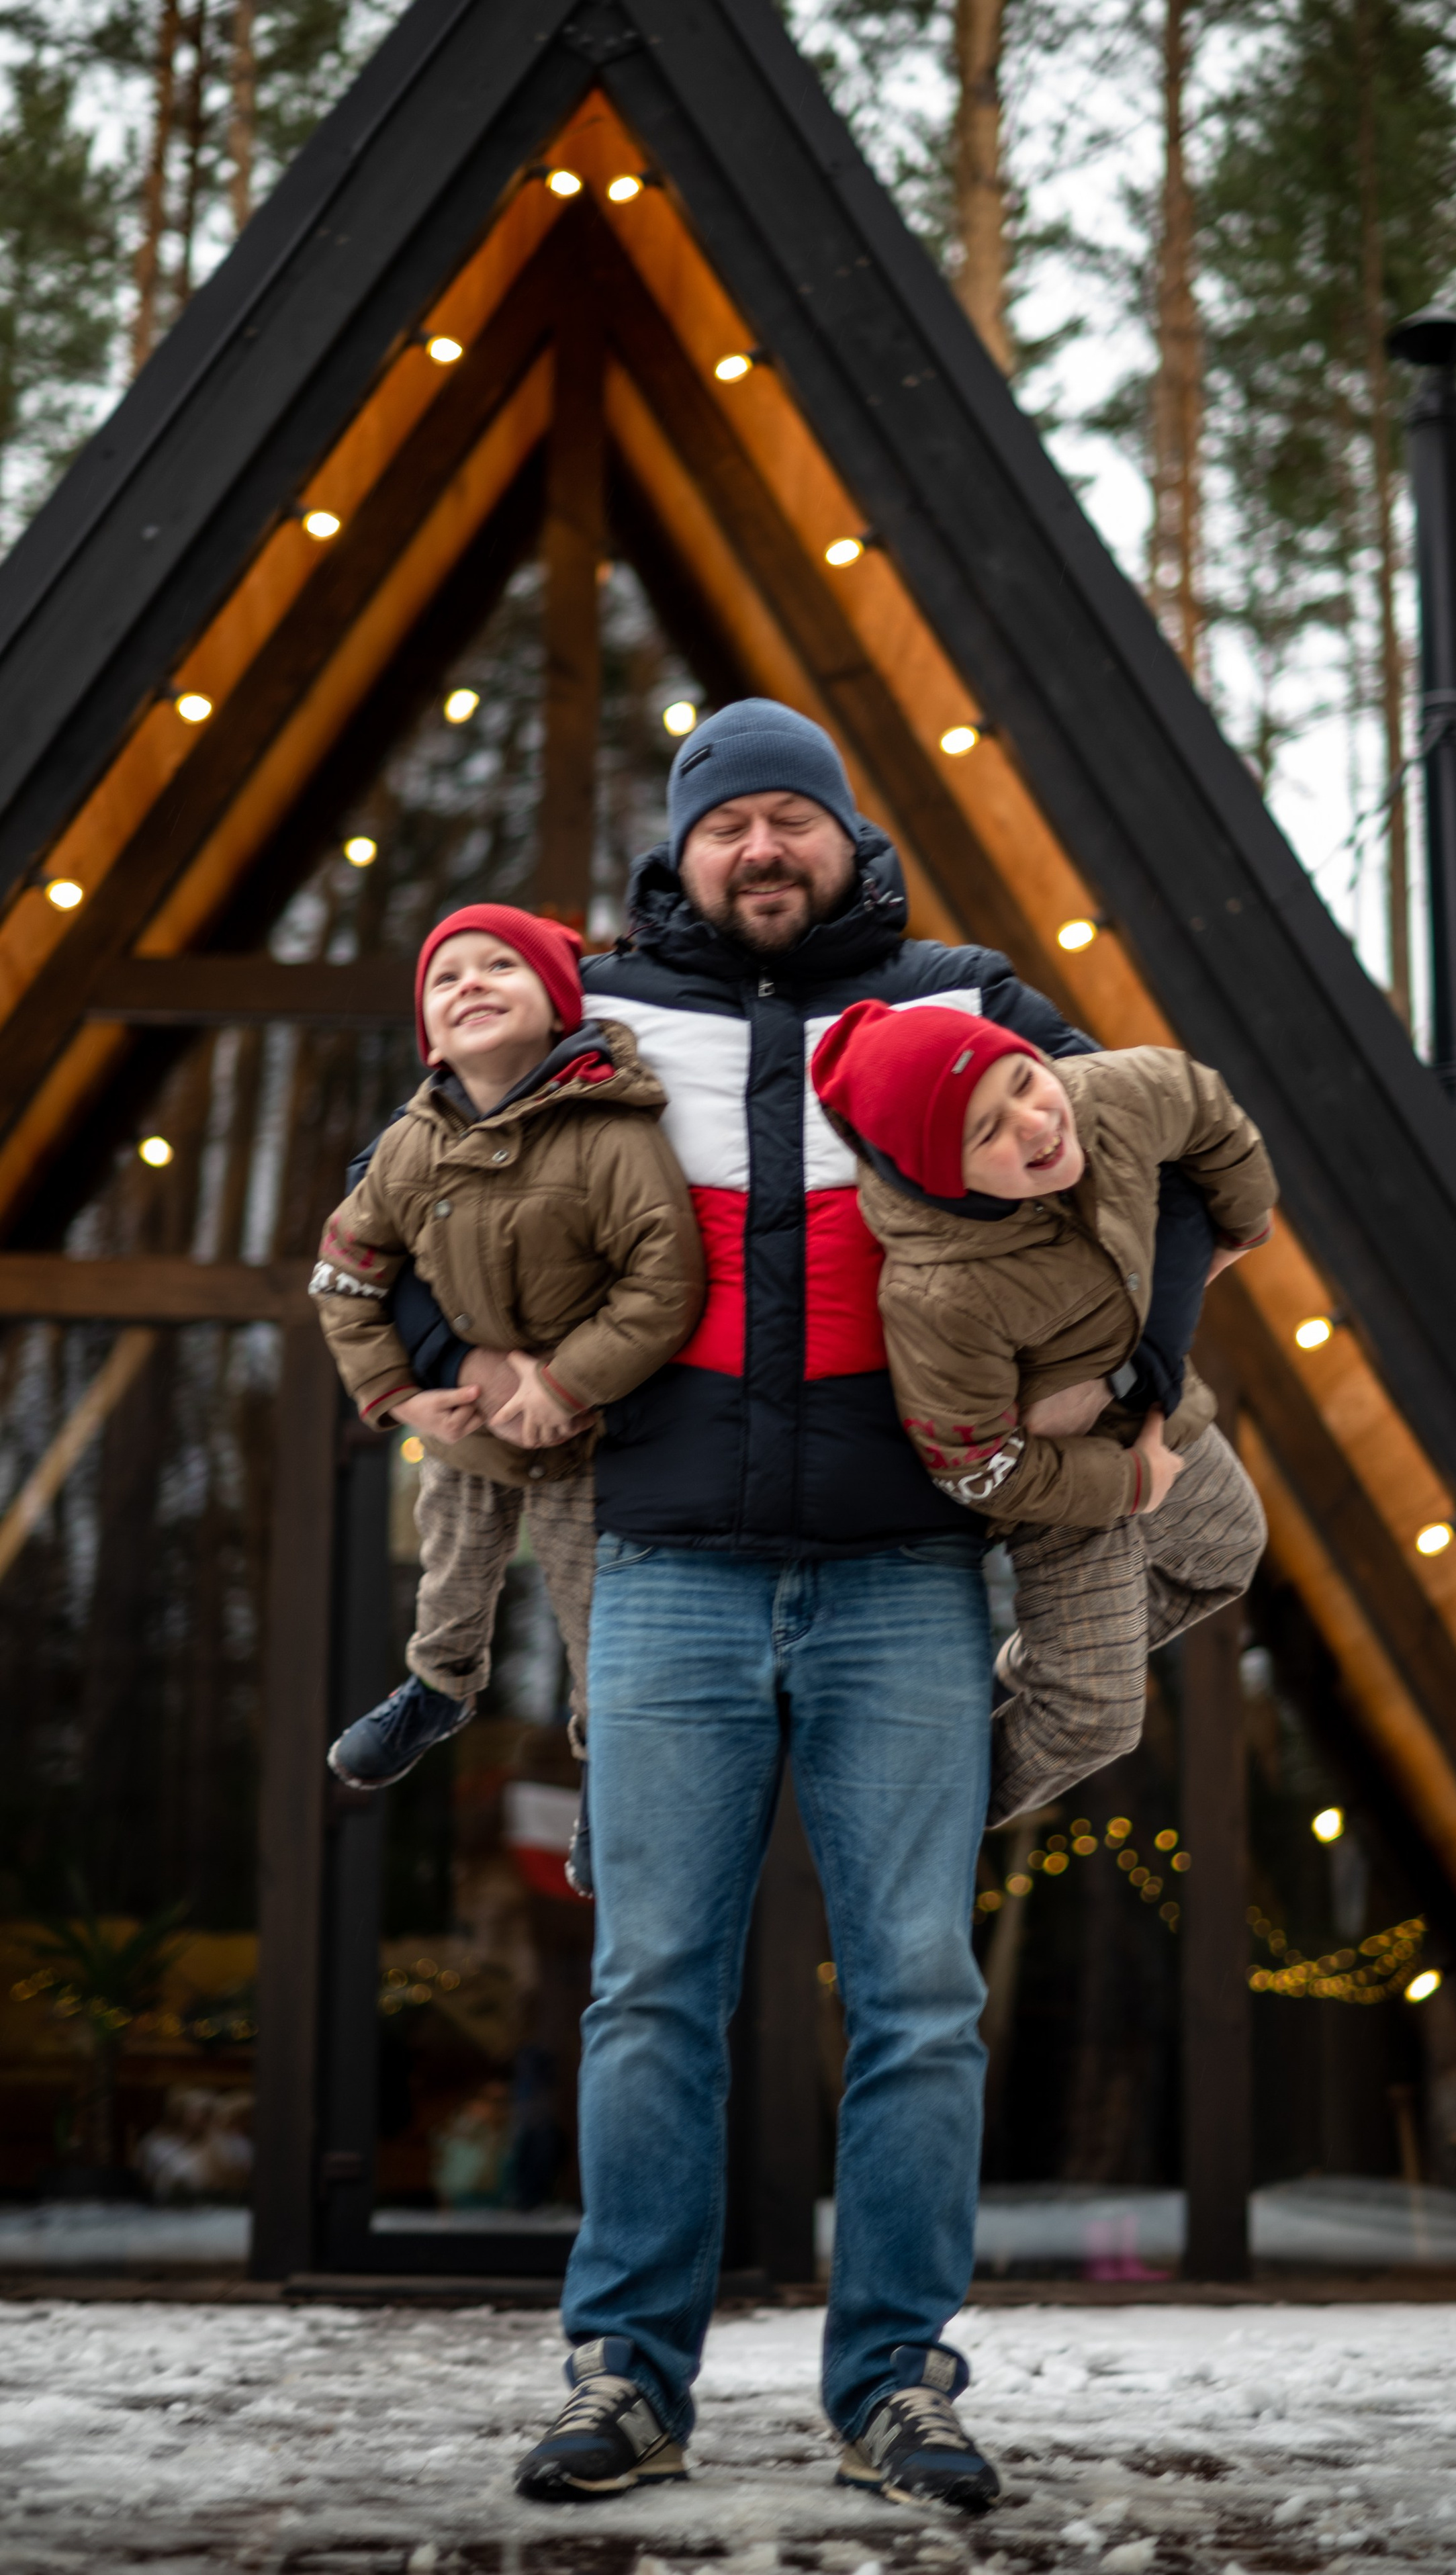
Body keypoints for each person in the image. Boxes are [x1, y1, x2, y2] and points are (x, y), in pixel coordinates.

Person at [375, 702, 1172, 2513]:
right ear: (686, 848)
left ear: (841, 835)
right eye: (727, 823)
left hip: (907, 1568)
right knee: (653, 1985)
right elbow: (407, 1185)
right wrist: (449, 1353)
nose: (760, 850)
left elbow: (1162, 1155)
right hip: (664, 1567)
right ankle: (630, 2377)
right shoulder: (581, 1001)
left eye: (788, 820)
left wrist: (1150, 1368)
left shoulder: (968, 999)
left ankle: (897, 2380)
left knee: (916, 1991)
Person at [811, 997, 1275, 1823]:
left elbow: (1207, 1106)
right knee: (1094, 1716)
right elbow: (976, 1466)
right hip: (1061, 1484)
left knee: (1227, 1552)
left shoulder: (1110, 1094)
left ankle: (1011, 1687)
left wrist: (1240, 1225)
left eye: (1025, 1081)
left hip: (1155, 1408)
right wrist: (1129, 1482)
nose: (1033, 1123)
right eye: (986, 1131)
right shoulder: (940, 1295)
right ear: (937, 1176)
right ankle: (916, 1825)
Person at [310, 904, 702, 1789]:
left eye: (500, 967)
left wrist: (569, 1383)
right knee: (452, 1562)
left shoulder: (611, 1133)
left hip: (590, 1434)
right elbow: (345, 1273)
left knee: (597, 1614)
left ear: (561, 1006)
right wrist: (400, 1394)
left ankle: (608, 1777)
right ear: (431, 1037)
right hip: (469, 1421)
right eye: (447, 979)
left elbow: (663, 1284)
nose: (471, 985)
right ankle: (436, 1686)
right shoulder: (410, 1148)